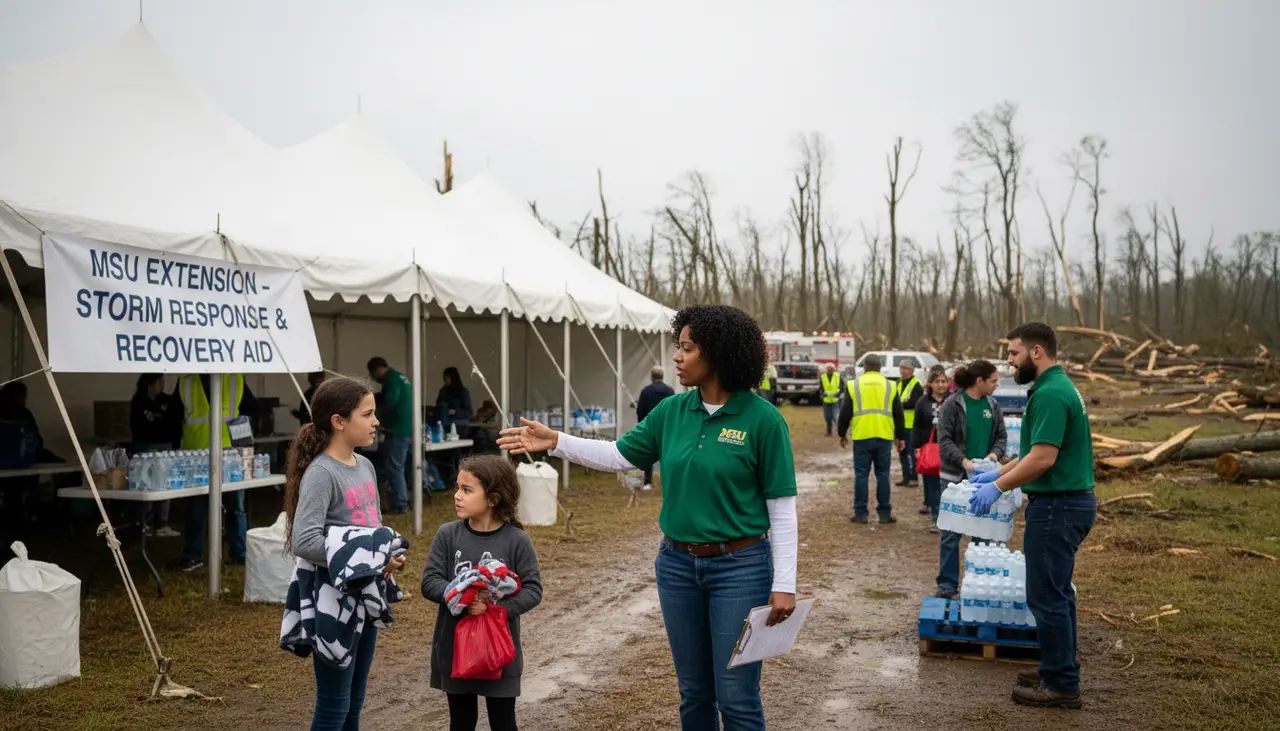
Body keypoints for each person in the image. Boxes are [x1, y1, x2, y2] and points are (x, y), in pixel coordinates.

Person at [498, 304, 799, 731]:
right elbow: (619, 455)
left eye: (687, 348)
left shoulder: (763, 420)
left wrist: (784, 584)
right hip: (677, 567)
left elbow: (781, 510)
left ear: (718, 354)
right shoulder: (672, 411)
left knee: (736, 697)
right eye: (679, 346)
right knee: (694, 693)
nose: (677, 356)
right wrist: (557, 441)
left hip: (741, 569)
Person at [969, 324, 1095, 709]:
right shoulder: (1055, 387)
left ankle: (1061, 685)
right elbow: (1032, 453)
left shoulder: (1052, 394)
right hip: (1066, 503)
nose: (1009, 361)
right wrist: (998, 472)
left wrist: (998, 487)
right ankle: (1058, 667)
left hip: (1058, 506)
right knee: (1058, 593)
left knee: (1046, 596)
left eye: (1014, 353)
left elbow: (1042, 459)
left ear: (1036, 352)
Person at [284, 376, 406, 730]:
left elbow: (373, 528)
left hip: (365, 595)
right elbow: (304, 541)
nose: (376, 421)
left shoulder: (365, 466)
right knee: (334, 707)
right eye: (367, 414)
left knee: (354, 702)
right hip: (333, 602)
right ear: (338, 421)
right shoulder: (321, 473)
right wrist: (368, 559)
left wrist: (385, 555)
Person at [421, 455, 543, 731]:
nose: (457, 496)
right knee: (461, 722)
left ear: (493, 499)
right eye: (457, 488)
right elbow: (430, 581)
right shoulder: (447, 535)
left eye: (467, 490)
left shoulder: (517, 540)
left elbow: (533, 590)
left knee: (503, 722)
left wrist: (495, 609)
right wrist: (463, 596)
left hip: (498, 653)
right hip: (455, 650)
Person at [933, 359, 1007, 598]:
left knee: (983, 532)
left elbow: (1001, 437)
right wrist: (965, 463)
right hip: (955, 479)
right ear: (979, 381)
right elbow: (944, 441)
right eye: (993, 380)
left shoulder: (993, 405)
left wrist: (993, 455)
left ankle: (978, 585)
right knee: (951, 533)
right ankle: (947, 585)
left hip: (984, 480)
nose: (996, 385)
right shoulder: (952, 405)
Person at [172, 373, 257, 572]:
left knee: (229, 506)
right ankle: (203, 554)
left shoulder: (234, 378)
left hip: (226, 455)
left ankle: (234, 553)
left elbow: (253, 409)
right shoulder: (186, 381)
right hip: (199, 456)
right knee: (202, 507)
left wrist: (243, 436)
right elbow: (173, 417)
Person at [837, 354, 906, 525]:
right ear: (880, 367)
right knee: (883, 475)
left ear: (865, 367)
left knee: (861, 475)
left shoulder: (854, 385)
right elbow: (899, 414)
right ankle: (884, 513)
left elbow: (845, 412)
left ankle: (861, 513)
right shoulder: (890, 385)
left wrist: (842, 433)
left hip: (862, 436)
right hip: (884, 436)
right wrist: (900, 437)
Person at [130, 374, 180, 537]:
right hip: (144, 448)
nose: (162, 384)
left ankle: (162, 524)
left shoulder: (166, 400)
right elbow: (140, 427)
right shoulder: (139, 401)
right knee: (145, 484)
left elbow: (174, 419)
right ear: (149, 384)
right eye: (159, 381)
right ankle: (145, 523)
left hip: (164, 447)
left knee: (164, 485)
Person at [367, 357, 413, 514]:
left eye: (372, 374)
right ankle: (400, 498)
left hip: (397, 430)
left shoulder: (391, 379)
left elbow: (391, 401)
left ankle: (401, 503)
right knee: (398, 466)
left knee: (394, 467)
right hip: (405, 428)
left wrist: (375, 413)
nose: (373, 378)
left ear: (377, 369)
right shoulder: (399, 377)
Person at [911, 368, 951, 530]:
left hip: (949, 449)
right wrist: (917, 447)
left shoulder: (953, 400)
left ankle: (948, 517)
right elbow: (917, 426)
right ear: (930, 384)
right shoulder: (923, 402)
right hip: (929, 449)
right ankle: (936, 517)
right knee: (932, 484)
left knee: (947, 484)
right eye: (937, 382)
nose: (941, 385)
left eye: (944, 381)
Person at [635, 365, 675, 490]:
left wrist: (641, 425)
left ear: (652, 376)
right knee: (667, 454)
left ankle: (647, 482)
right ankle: (669, 481)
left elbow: (640, 410)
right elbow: (674, 410)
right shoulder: (669, 391)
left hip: (650, 427)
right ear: (662, 376)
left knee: (648, 454)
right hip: (666, 427)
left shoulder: (646, 391)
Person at [894, 360, 924, 486]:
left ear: (911, 371)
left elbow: (914, 403)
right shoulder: (898, 383)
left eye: (906, 368)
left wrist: (899, 405)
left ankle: (914, 477)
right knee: (901, 452)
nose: (903, 371)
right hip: (899, 424)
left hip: (911, 425)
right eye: (901, 368)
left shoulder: (916, 384)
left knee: (912, 453)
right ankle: (905, 476)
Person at [437, 366, 474, 433]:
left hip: (460, 426)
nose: (445, 380)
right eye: (444, 378)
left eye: (446, 378)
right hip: (445, 425)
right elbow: (438, 404)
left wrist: (455, 412)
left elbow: (469, 412)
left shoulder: (463, 392)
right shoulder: (443, 391)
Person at [819, 363, 842, 437]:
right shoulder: (823, 377)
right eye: (828, 369)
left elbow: (842, 386)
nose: (830, 370)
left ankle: (841, 431)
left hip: (835, 400)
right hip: (826, 400)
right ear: (826, 370)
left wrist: (838, 394)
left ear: (833, 369)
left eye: (831, 369)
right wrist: (822, 395)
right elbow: (821, 388)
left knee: (836, 416)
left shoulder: (838, 376)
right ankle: (829, 431)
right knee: (827, 417)